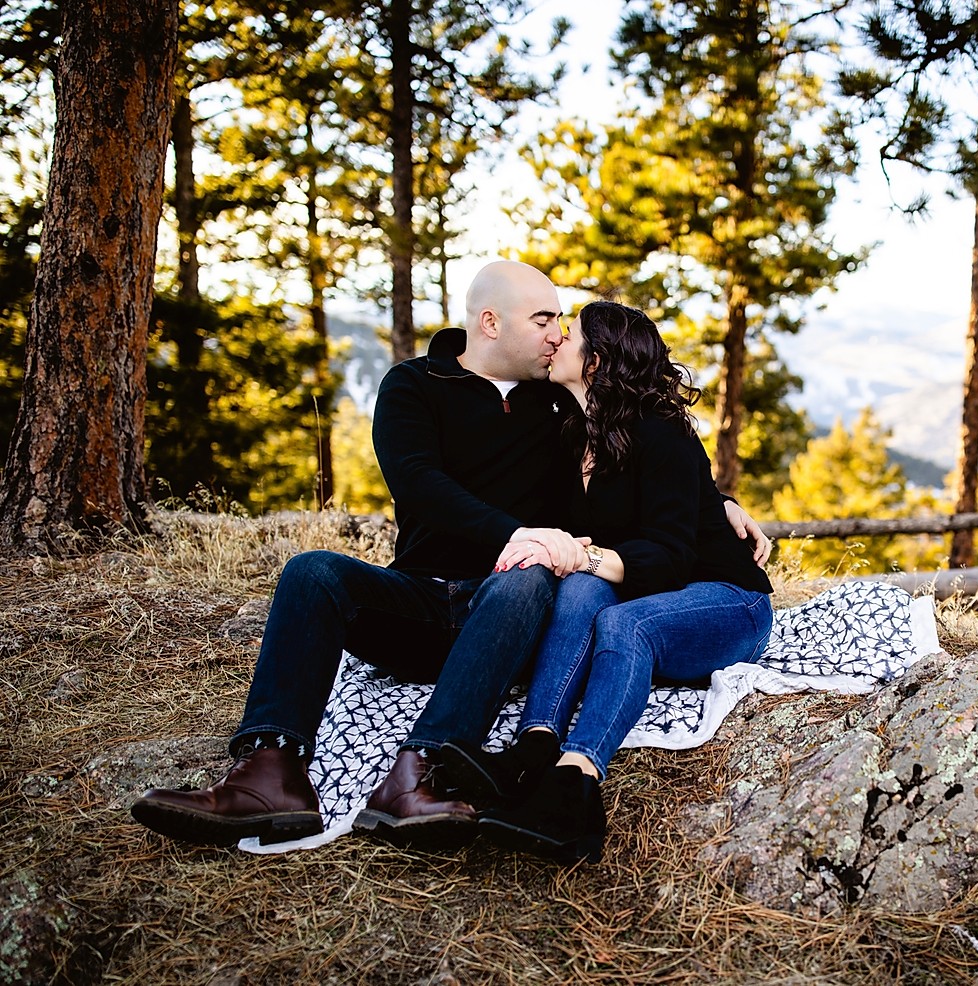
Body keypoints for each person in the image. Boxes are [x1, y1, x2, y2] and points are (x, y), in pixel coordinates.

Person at [130, 262, 769, 850]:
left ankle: (421, 771)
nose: (555, 334)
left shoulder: (557, 405)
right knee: (312, 572)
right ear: (491, 323)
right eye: (544, 320)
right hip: (423, 601)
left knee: (525, 580)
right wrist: (512, 535)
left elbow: (643, 455)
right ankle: (270, 773)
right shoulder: (413, 385)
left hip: (511, 609)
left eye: (560, 324)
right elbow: (418, 484)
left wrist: (719, 503)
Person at [438, 301, 774, 865]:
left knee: (621, 617)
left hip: (726, 599)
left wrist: (581, 552)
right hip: (660, 592)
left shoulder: (662, 433)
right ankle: (535, 747)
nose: (555, 341)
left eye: (568, 336)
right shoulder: (573, 429)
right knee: (579, 588)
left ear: (596, 362)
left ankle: (576, 786)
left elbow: (668, 556)